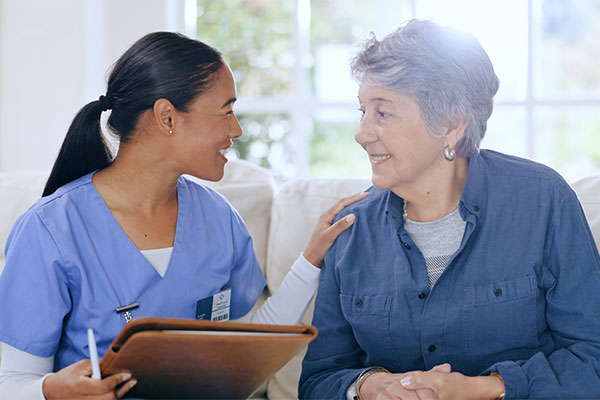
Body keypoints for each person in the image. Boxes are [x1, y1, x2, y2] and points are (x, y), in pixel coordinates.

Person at [0, 32, 366, 399]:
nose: (236, 130)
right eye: (226, 111)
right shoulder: (50, 230)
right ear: (167, 118)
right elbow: (11, 382)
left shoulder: (219, 220)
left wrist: (310, 260)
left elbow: (244, 346)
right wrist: (51, 392)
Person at [299, 19, 600, 400]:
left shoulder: (542, 202)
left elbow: (592, 358)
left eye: (383, 113)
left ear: (451, 125)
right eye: (363, 112)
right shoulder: (352, 230)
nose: (362, 133)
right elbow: (319, 379)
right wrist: (371, 386)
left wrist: (484, 389)